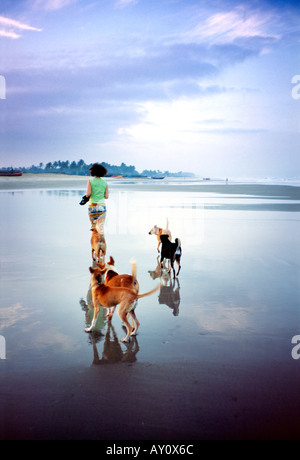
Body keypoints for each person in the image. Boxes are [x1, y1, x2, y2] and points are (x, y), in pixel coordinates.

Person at [85, 163, 109, 233]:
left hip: (92, 206)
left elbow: (88, 194)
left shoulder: (90, 181)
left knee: (93, 226)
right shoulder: (105, 182)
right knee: (100, 227)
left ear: (92, 171)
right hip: (101, 206)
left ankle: (94, 240)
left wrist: (87, 197)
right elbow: (106, 197)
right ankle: (100, 242)